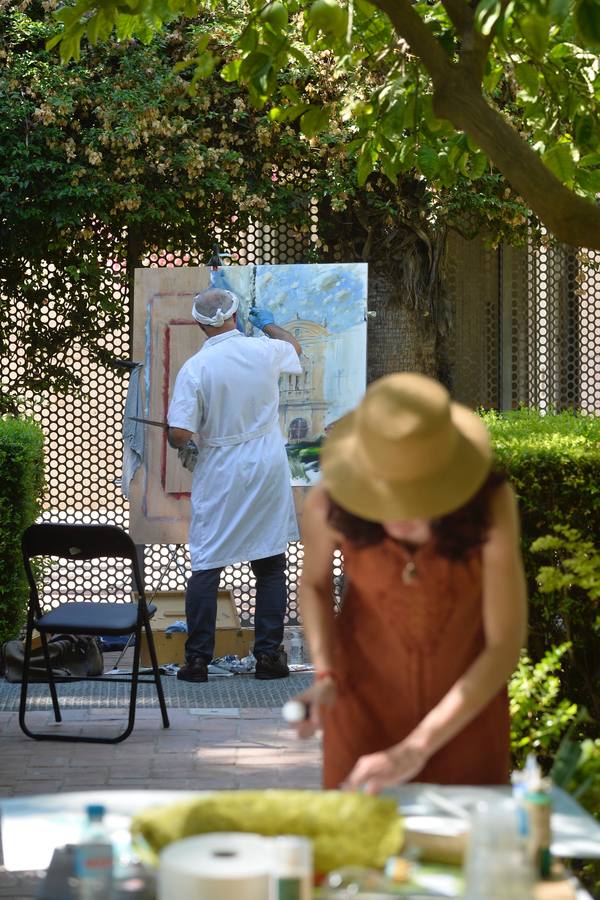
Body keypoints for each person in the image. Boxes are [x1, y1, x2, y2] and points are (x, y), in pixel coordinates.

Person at [294, 372, 527, 792]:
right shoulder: (328, 504)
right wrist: (325, 674)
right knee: (354, 850)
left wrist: (418, 745)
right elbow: (313, 584)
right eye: (384, 494)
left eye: (420, 495)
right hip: (361, 710)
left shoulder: (491, 505)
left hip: (466, 718)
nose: (401, 513)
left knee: (463, 854)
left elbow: (504, 643)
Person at [167, 287, 302, 683]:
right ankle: (268, 659)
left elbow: (178, 433)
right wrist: (270, 324)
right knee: (270, 562)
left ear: (199, 322)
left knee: (207, 563)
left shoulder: (195, 368)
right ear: (236, 315)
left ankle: (196, 661)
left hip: (221, 469)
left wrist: (187, 444)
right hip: (265, 464)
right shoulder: (263, 350)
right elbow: (294, 347)